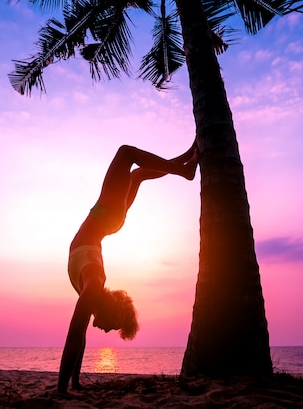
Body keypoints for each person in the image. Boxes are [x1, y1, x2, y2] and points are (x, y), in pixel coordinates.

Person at [58, 142, 198, 393]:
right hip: (106, 215)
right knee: (127, 155)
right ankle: (184, 167)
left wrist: (69, 386)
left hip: (109, 219)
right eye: (112, 326)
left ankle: (185, 165)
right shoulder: (93, 287)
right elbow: (73, 338)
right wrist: (65, 388)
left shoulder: (92, 292)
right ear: (110, 311)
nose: (105, 329)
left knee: (138, 172)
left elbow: (78, 337)